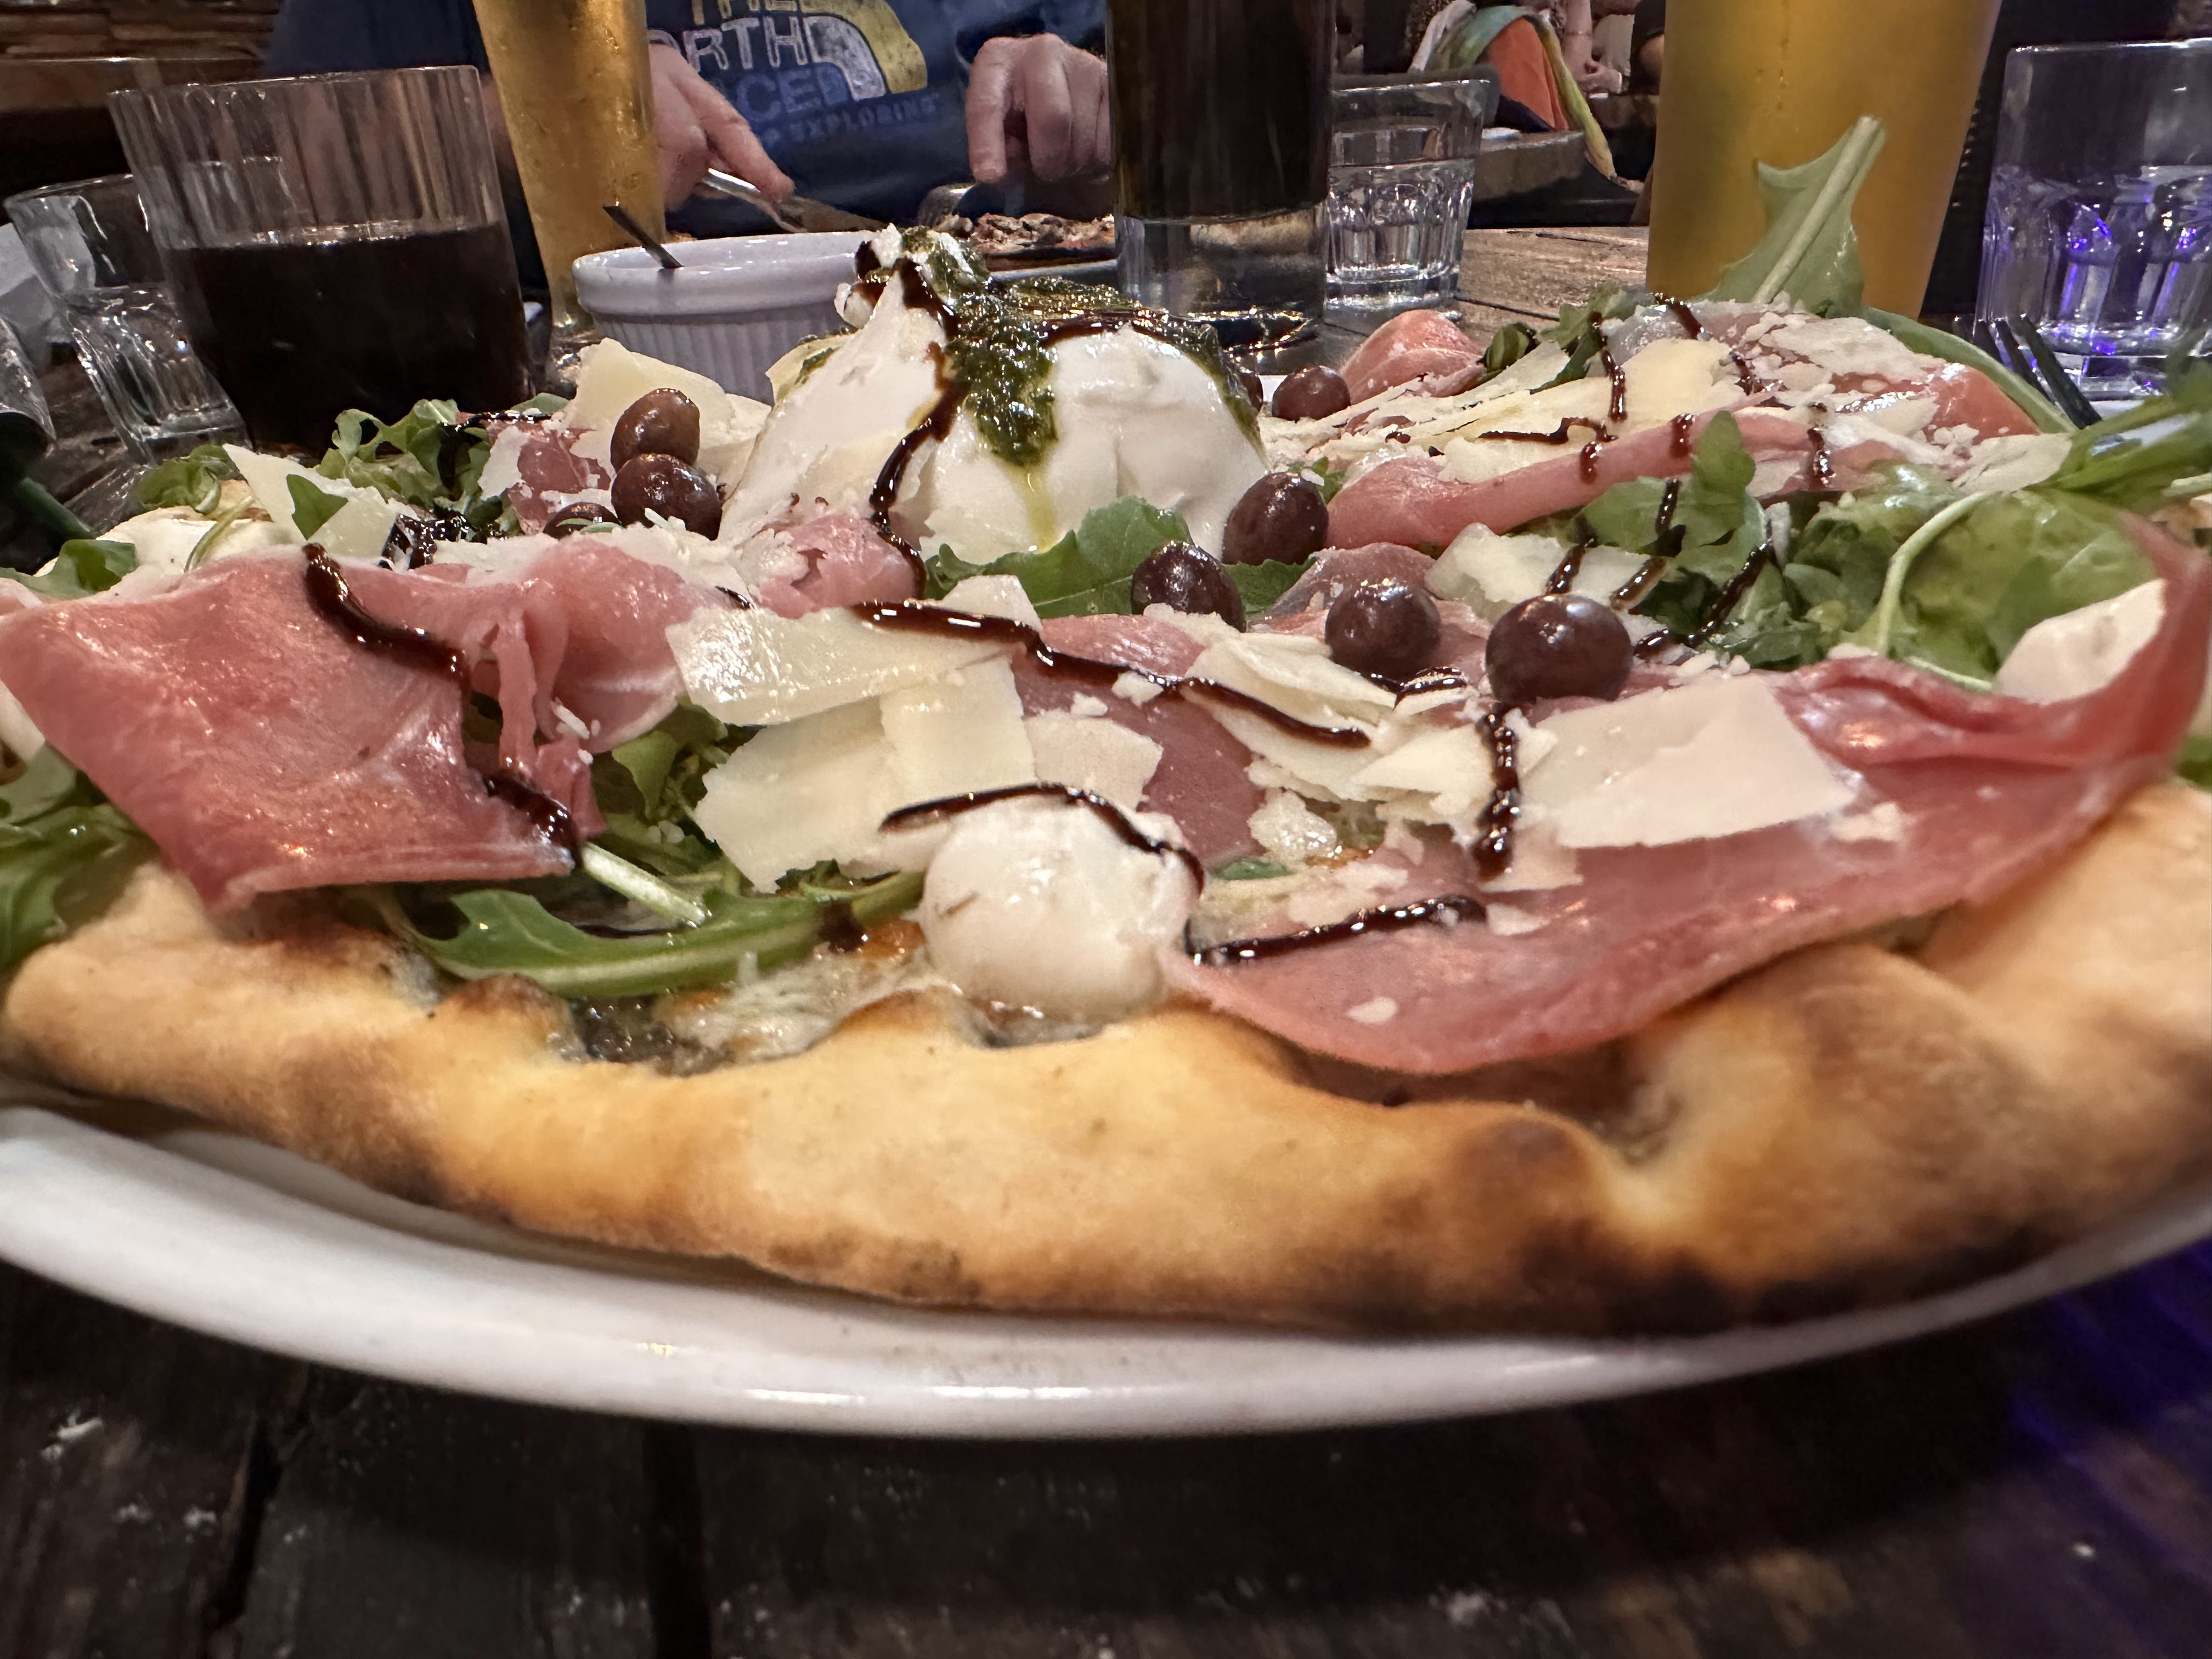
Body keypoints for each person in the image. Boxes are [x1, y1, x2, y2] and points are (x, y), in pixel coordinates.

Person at [258, 0, 1109, 232]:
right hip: (590, 367)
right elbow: (296, 161)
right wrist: (525, 119)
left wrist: (1097, 130)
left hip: (994, 330)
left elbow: (1138, 167)